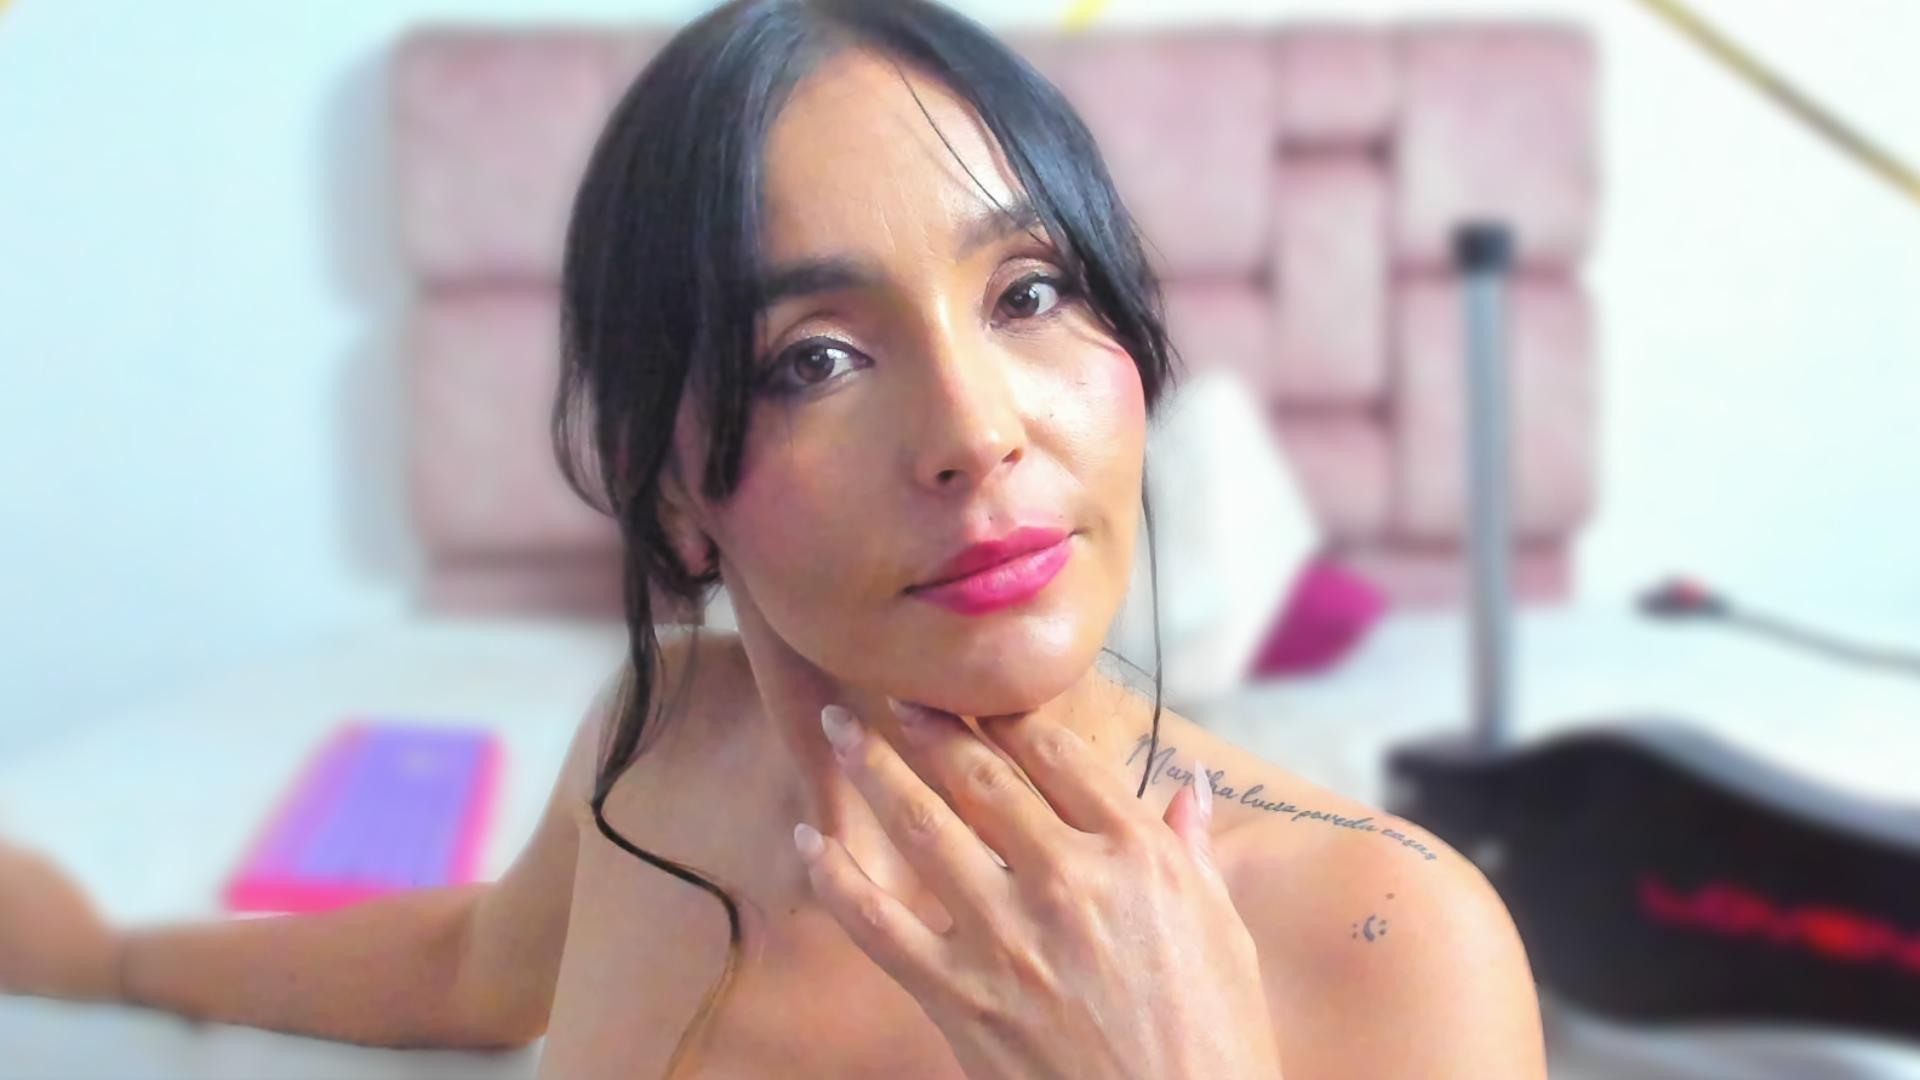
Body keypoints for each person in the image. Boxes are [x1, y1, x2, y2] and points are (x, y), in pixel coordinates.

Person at [0, 0, 1547, 1075]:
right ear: (672, 491)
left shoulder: (1390, 943)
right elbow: (476, 969)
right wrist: (111, 960)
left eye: (1027, 293)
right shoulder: (666, 739)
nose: (977, 431)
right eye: (814, 358)